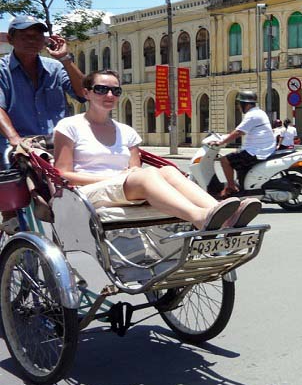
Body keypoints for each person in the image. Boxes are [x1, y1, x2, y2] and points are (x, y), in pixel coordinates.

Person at [52, 70, 261, 230]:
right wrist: (111, 178)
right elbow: (62, 174)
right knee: (147, 175)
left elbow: (135, 170)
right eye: (101, 89)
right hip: (89, 191)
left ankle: (220, 214)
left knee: (168, 171)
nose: (109, 95)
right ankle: (200, 217)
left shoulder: (126, 131)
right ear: (87, 93)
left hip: (123, 187)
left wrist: (127, 176)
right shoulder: (70, 126)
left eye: (115, 91)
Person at [0, 16, 86, 233]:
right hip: (17, 145)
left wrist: (66, 58)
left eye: (38, 36)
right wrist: (14, 139)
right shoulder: (2, 69)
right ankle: (11, 221)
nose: (33, 40)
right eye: (25, 36)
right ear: (11, 39)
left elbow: (84, 93)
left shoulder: (55, 67)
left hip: (53, 143)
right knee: (9, 171)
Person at [211, 90, 276, 198]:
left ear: (245, 104)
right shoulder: (259, 112)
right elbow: (240, 130)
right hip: (260, 149)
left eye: (239, 104)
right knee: (238, 159)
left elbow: (238, 132)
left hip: (256, 151)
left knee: (225, 160)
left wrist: (221, 142)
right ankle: (241, 187)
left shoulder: (252, 115)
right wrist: (224, 137)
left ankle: (231, 187)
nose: (238, 107)